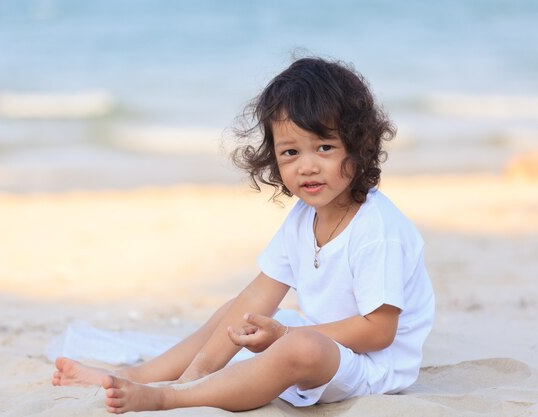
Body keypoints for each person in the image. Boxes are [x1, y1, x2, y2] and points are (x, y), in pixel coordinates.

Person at [51, 57, 435, 414]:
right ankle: (152, 378)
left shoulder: (377, 229)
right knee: (240, 313)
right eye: (290, 152)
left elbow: (379, 331)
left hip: (373, 368)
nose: (308, 166)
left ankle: (169, 398)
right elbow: (258, 294)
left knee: (299, 345)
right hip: (329, 346)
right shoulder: (303, 217)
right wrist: (202, 366)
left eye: (325, 147)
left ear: (360, 144)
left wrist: (284, 333)